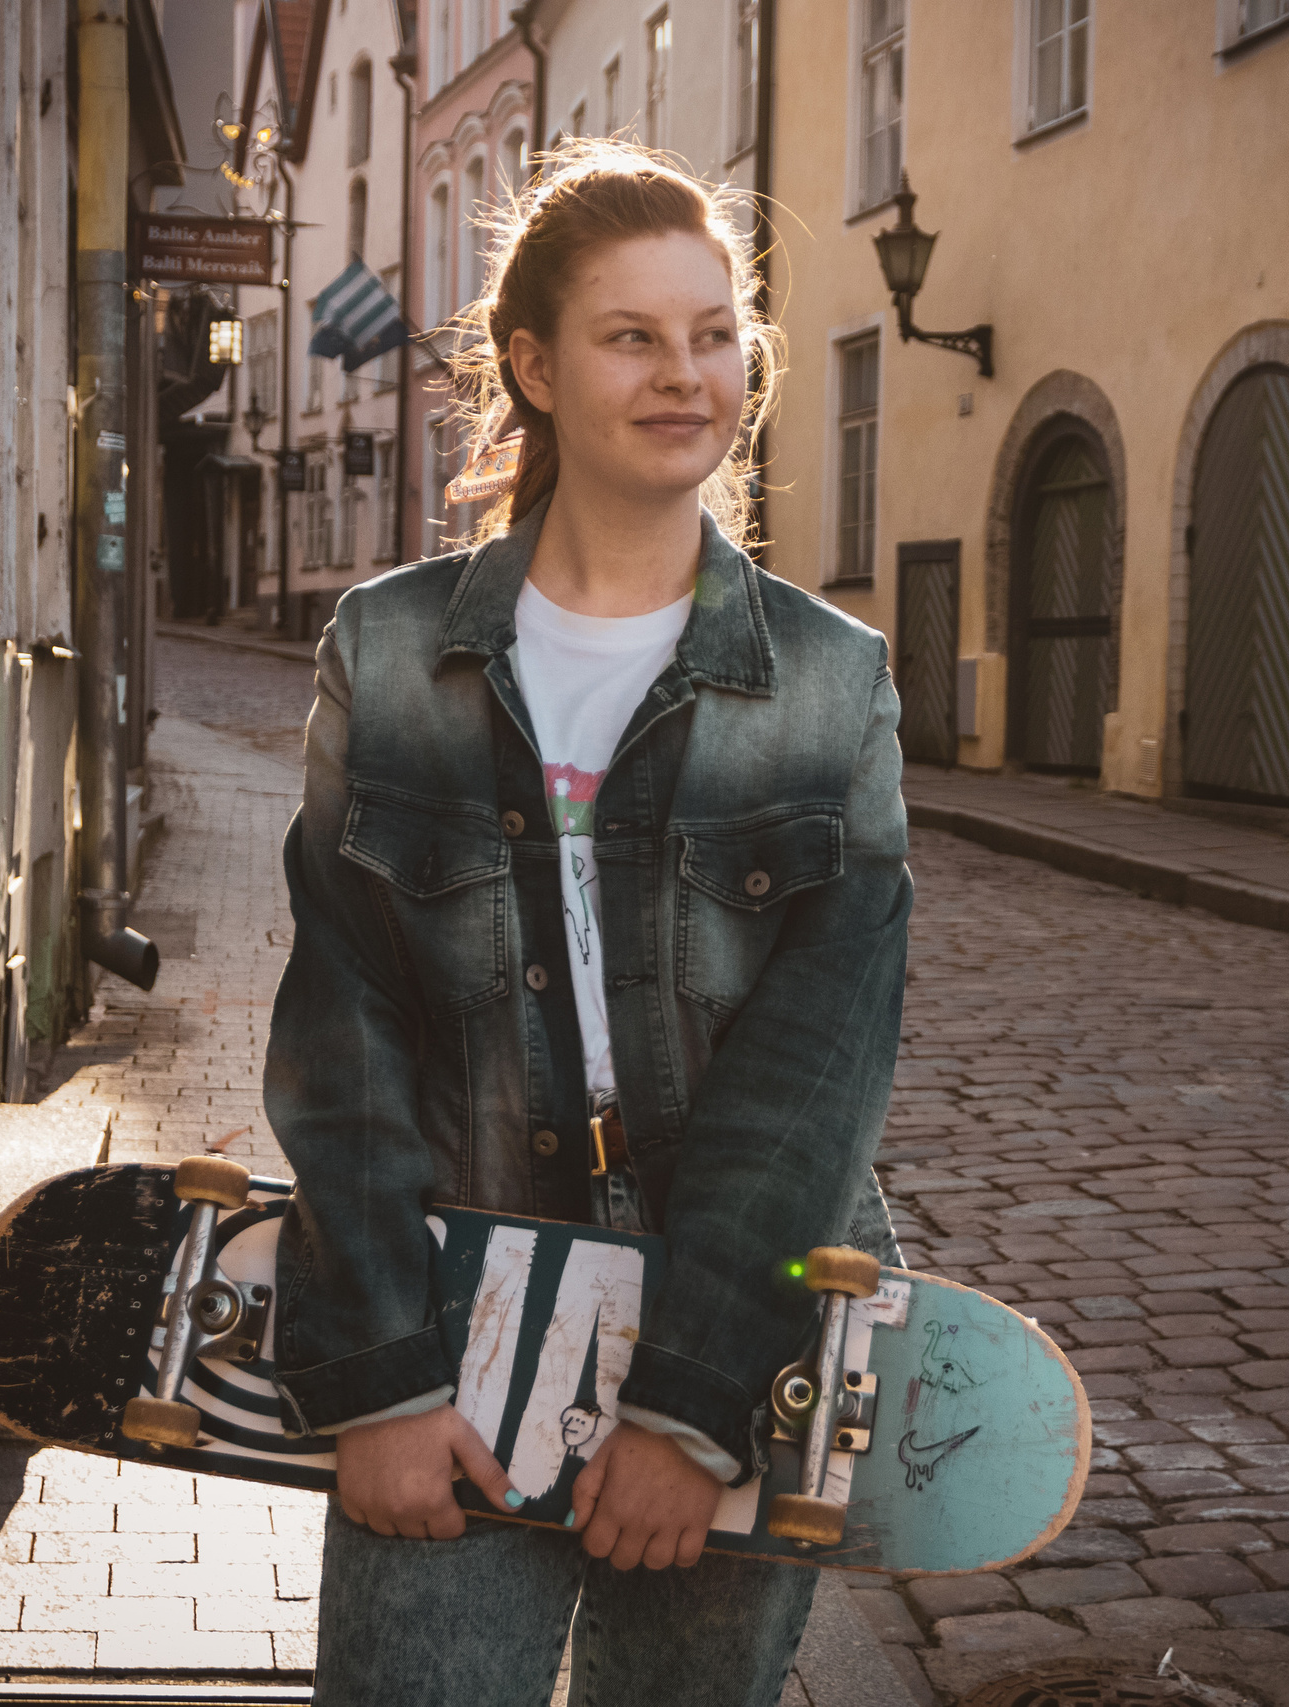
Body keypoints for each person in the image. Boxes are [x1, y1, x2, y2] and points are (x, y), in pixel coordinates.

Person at [260, 141, 911, 1707]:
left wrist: (692, 1406)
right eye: (633, 336)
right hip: (454, 1300)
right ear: (536, 367)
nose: (688, 374)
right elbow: (342, 1021)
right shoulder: (397, 648)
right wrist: (382, 1379)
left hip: (740, 1307)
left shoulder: (829, 683)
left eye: (714, 331)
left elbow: (819, 1060)